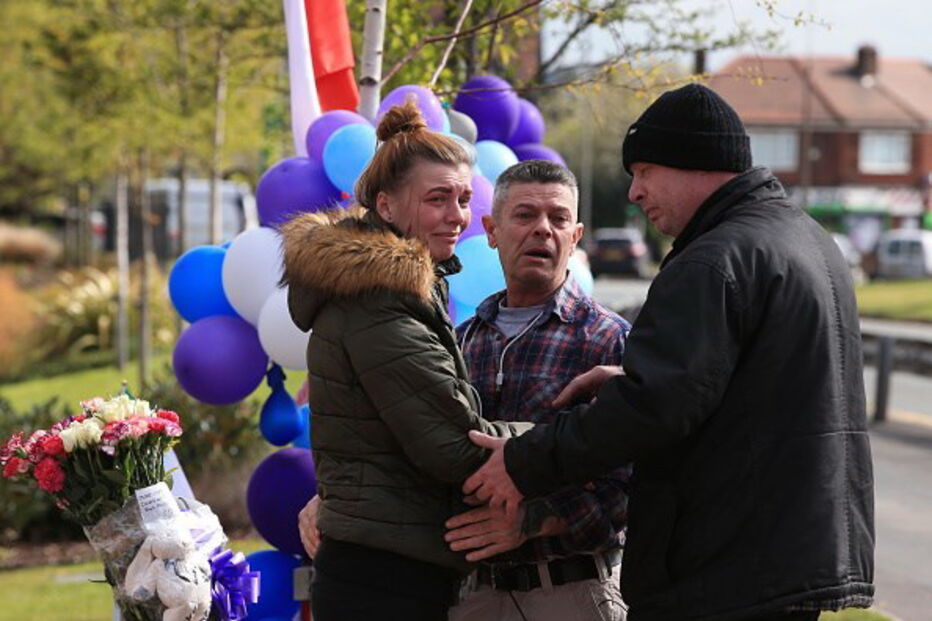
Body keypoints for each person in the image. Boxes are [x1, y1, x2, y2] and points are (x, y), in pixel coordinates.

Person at [462, 83, 876, 620]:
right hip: (781, 555)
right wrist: (628, 382)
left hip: (726, 566)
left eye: (643, 172)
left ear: (690, 161)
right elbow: (740, 390)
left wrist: (522, 460)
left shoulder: (714, 260)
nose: (634, 192)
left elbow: (657, 406)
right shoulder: (806, 241)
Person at [281, 101, 529, 621]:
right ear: (387, 207)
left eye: (463, 198)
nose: (458, 216)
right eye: (438, 199)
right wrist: (575, 434)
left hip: (389, 567)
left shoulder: (401, 290)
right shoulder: (378, 298)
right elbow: (455, 447)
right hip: (384, 579)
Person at [445, 160, 631, 621]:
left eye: (558, 218)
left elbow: (637, 483)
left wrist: (533, 521)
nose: (543, 230)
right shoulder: (459, 341)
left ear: (577, 235)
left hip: (572, 593)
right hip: (472, 596)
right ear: (491, 230)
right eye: (525, 215)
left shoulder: (610, 341)